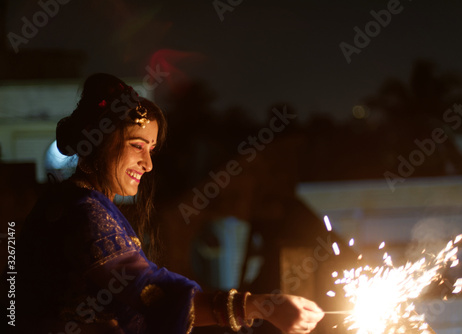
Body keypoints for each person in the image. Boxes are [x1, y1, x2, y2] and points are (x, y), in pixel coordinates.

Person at [8, 73, 324, 334]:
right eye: (137, 146)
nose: (147, 164)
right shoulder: (84, 211)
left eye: (152, 149)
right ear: (101, 143)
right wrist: (258, 305)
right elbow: (152, 294)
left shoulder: (70, 202)